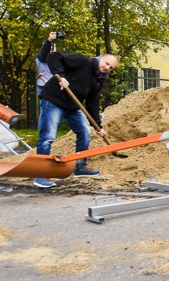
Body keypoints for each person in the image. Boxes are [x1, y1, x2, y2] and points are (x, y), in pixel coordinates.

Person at [33, 51, 119, 188]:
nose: (107, 68)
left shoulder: (99, 80)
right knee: (47, 136)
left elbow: (92, 104)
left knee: (85, 133)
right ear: (101, 59)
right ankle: (41, 175)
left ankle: (80, 167)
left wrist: (98, 126)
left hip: (72, 106)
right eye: (107, 63)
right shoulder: (83, 61)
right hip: (54, 100)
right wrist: (61, 76)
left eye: (111, 68)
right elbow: (53, 56)